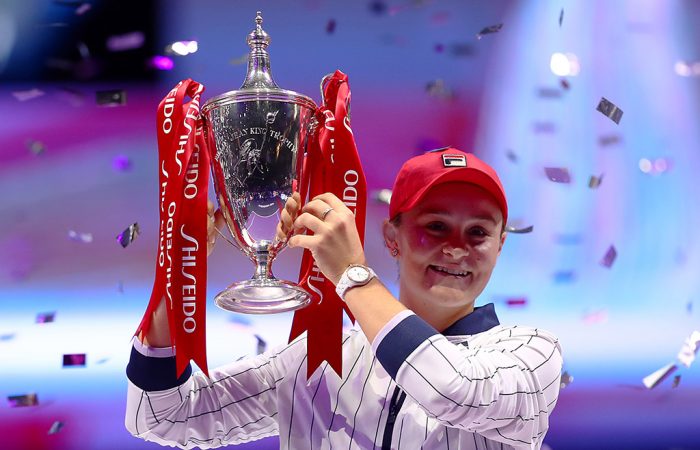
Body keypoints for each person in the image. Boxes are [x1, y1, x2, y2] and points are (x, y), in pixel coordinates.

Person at [125, 147, 563, 449]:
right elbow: (164, 415)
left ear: (500, 245)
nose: (455, 249)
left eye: (478, 232)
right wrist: (178, 273)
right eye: (436, 226)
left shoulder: (530, 354)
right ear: (392, 237)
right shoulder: (321, 358)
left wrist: (353, 275)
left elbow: (451, 390)